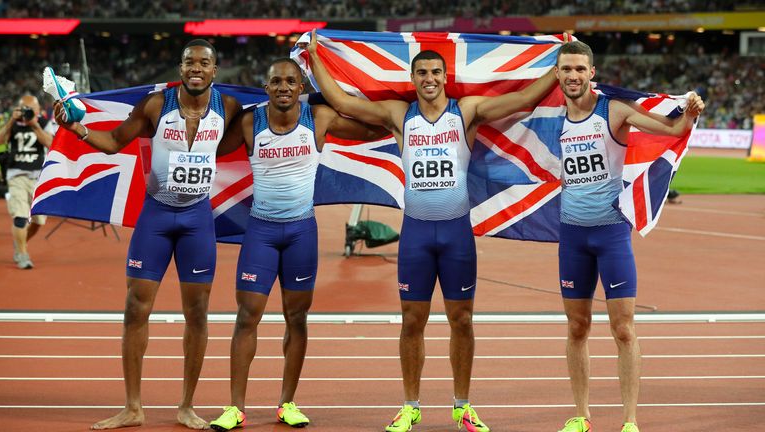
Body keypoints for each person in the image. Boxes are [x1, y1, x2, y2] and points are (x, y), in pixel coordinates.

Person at [307, 31, 561, 432]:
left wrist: (559, 60)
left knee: (462, 320)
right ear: (413, 77)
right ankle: (411, 405)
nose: (429, 78)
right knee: (412, 321)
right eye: (422, 71)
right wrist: (314, 55)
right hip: (417, 235)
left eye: (435, 72)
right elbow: (341, 102)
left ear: (445, 77)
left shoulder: (468, 110)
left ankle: (463, 405)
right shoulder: (398, 113)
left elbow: (524, 100)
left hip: (456, 232)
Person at [53, 39, 241, 430]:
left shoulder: (228, 108)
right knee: (136, 307)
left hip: (197, 220)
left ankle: (186, 405)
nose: (195, 68)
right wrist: (76, 127)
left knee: (198, 314)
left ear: (214, 70)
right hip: (155, 217)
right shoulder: (158, 105)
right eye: (189, 61)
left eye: (203, 63)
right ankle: (133, 407)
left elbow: (248, 138)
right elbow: (114, 142)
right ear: (180, 67)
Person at [209, 58, 385, 431]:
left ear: (301, 86)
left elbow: (370, 131)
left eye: (291, 81)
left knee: (297, 317)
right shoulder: (248, 123)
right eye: (276, 82)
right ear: (266, 87)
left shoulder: (317, 118)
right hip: (262, 232)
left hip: (301, 232)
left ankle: (287, 402)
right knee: (247, 316)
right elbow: (206, 147)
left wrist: (389, 109)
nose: (284, 87)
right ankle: (235, 407)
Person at [553, 41, 704, 432]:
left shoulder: (613, 111)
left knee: (623, 328)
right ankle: (582, 416)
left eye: (579, 69)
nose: (573, 76)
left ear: (592, 73)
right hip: (572, 236)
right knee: (576, 327)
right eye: (566, 69)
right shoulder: (549, 118)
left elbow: (672, 128)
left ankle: (629, 421)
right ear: (557, 75)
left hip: (610, 234)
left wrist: (690, 112)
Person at [0, 94, 54, 269]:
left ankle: (20, 242)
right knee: (20, 217)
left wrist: (34, 125)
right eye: (24, 109)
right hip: (16, 175)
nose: (27, 112)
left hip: (38, 176)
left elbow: (51, 143)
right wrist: (9, 123)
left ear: (38, 110)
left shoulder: (43, 122)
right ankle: (22, 254)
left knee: (38, 221)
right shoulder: (12, 122)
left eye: (31, 109)